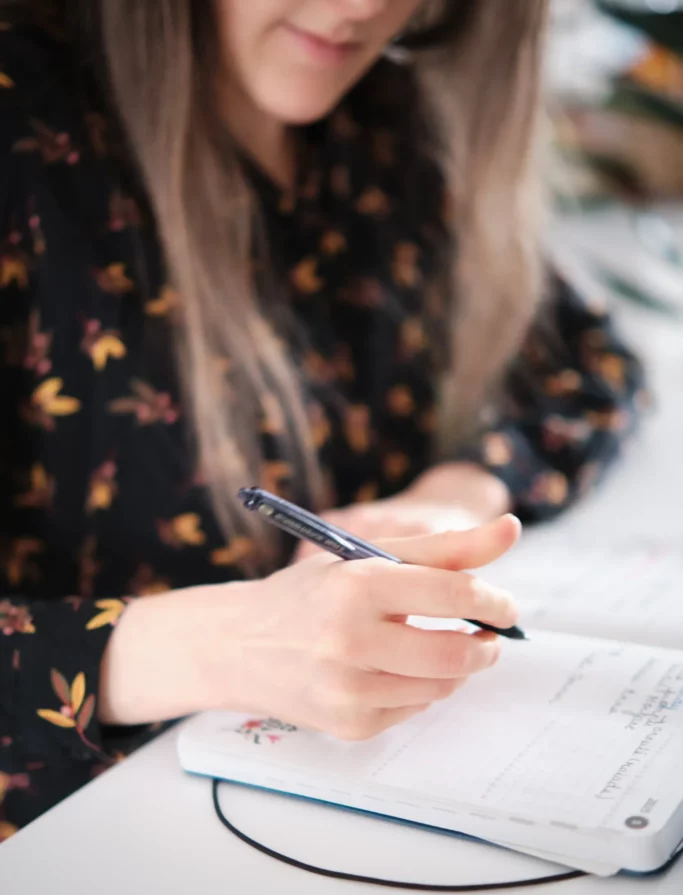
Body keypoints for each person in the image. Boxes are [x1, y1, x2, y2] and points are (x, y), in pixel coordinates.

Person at [0, 0, 644, 839]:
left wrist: (456, 492)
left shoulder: (389, 118)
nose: (367, 6)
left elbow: (587, 366)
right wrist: (215, 646)